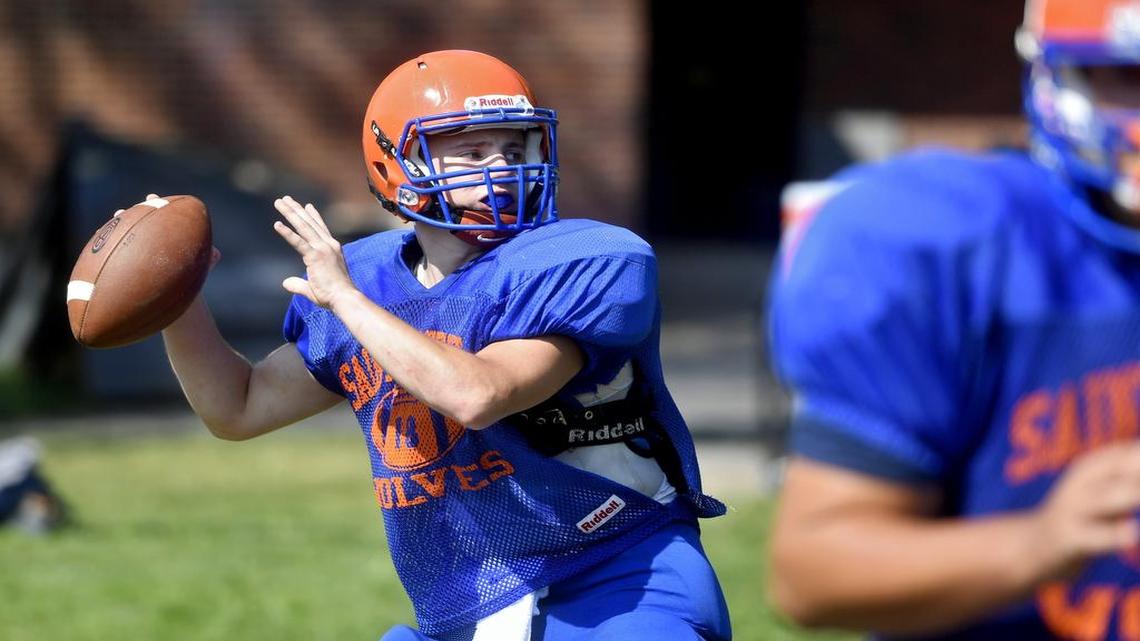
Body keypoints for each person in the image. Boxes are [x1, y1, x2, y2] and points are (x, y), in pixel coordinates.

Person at [158, 50, 731, 641]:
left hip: (617, 575)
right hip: (477, 596)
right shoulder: (370, 277)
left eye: (513, 150)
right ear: (397, 163)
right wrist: (172, 297)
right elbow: (238, 407)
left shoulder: (585, 259)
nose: (501, 168)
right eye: (473, 151)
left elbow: (478, 395)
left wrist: (348, 302)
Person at [766, 1, 1140, 640]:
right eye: (1129, 77)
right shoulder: (947, 240)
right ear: (1059, 76)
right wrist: (1042, 541)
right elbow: (812, 572)